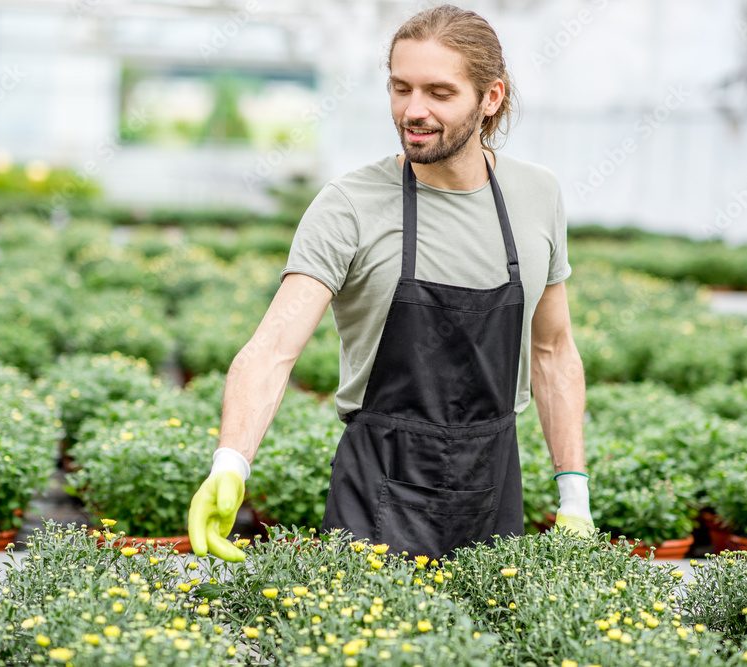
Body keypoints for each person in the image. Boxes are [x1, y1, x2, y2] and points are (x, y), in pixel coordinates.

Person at [188, 4, 594, 562]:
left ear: (491, 98)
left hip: (493, 488)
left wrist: (574, 493)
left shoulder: (538, 196)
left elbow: (552, 350)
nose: (413, 110)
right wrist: (230, 464)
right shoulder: (350, 205)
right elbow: (273, 349)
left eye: (439, 92)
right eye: (400, 88)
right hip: (375, 493)